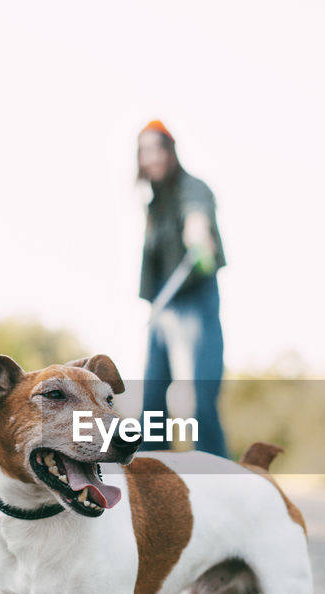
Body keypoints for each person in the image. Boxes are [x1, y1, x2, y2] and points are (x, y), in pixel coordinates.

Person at [136, 119, 228, 457]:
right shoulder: (153, 205)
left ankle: (219, 474)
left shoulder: (193, 187)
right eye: (145, 151)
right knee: (153, 395)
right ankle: (151, 472)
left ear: (170, 152)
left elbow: (197, 214)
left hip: (194, 297)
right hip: (163, 302)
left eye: (158, 149)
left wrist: (198, 232)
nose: (152, 157)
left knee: (200, 394)